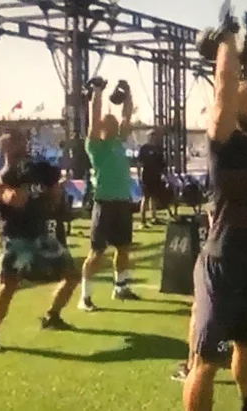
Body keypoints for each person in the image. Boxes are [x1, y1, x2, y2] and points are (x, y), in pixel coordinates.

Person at [183, 16, 247, 411]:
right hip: (222, 267)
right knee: (209, 360)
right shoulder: (225, 141)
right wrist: (227, 39)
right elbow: (225, 86)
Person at [0, 130, 80, 353]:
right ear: (6, 150)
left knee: (72, 276)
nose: (24, 148)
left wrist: (54, 189)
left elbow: (55, 194)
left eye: (24, 144)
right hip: (16, 239)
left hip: (43, 235)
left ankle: (52, 315)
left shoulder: (39, 170)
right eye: (18, 145)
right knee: (8, 286)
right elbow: (8, 197)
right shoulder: (2, 177)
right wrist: (15, 191)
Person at [78, 77, 139, 312]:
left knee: (123, 248)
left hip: (123, 203)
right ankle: (85, 297)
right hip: (104, 203)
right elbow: (94, 117)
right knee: (97, 252)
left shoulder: (118, 142)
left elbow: (127, 114)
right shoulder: (95, 146)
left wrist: (128, 91)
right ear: (103, 127)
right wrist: (97, 92)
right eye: (110, 120)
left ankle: (120, 287)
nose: (115, 122)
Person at [137, 127, 166, 228]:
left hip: (156, 176)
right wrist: (139, 175)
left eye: (154, 136)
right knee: (145, 198)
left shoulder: (158, 150)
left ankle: (154, 218)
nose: (153, 138)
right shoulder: (144, 149)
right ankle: (143, 220)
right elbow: (139, 163)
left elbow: (162, 164)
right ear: (148, 137)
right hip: (146, 176)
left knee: (154, 198)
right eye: (151, 136)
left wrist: (163, 174)